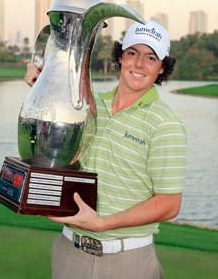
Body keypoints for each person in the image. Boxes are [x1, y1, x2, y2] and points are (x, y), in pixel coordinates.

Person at [25, 19, 187, 279]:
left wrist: (103, 224)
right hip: (69, 251)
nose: (139, 64)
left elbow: (169, 204)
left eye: (151, 57)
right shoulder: (91, 104)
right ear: (120, 57)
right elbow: (55, 109)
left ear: (161, 69)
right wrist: (40, 83)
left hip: (127, 262)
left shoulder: (166, 124)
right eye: (132, 53)